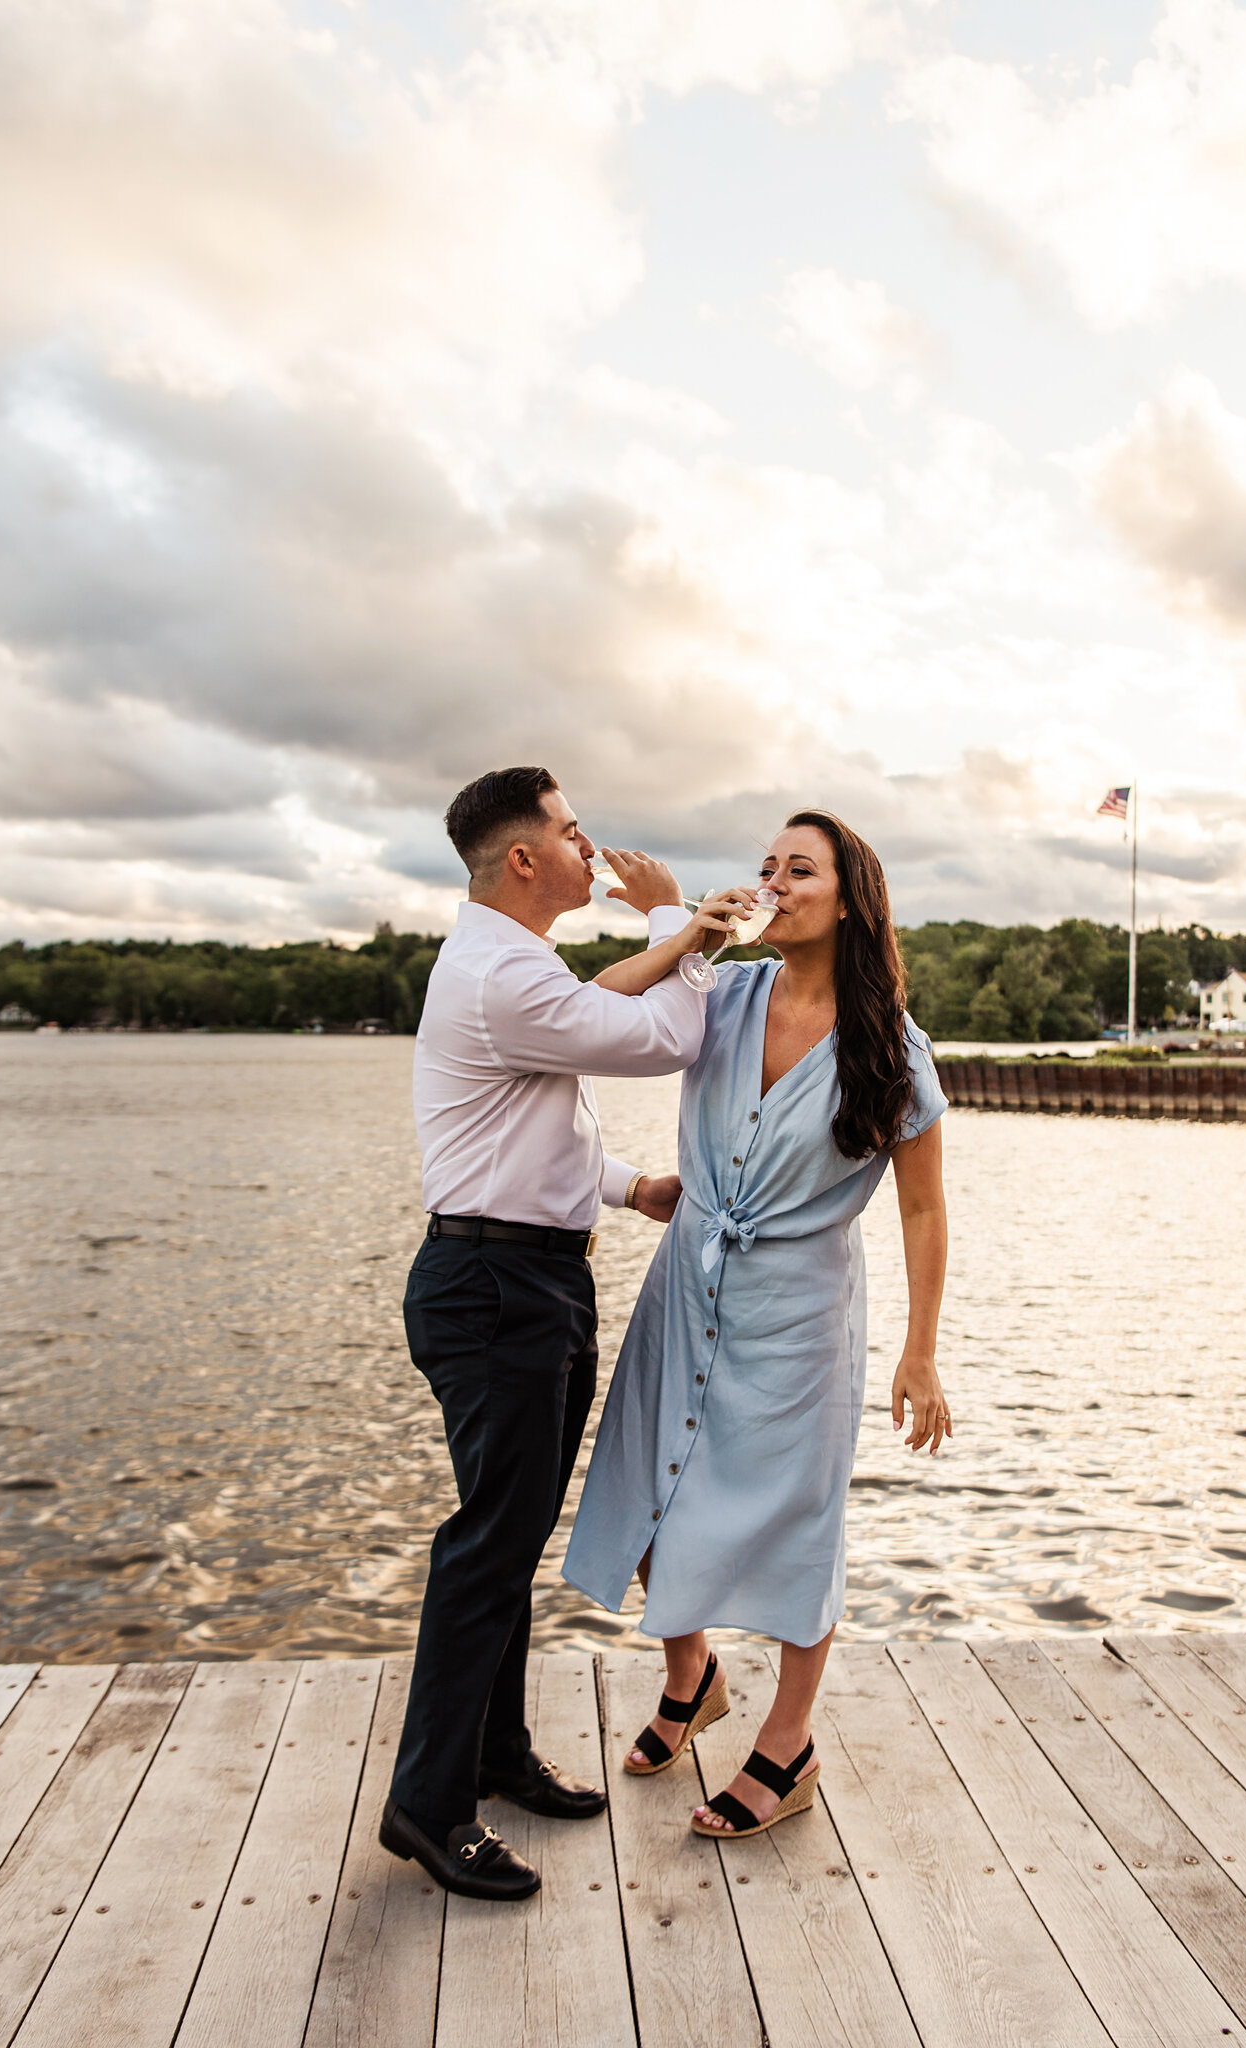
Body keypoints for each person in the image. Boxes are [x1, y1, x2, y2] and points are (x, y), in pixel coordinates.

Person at [381, 764, 753, 1901]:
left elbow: (531, 1110)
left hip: (521, 1276)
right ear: (526, 859)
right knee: (489, 1543)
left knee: (510, 1534)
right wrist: (673, 916)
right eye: (573, 830)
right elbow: (656, 1034)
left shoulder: (510, 963)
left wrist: (625, 1183)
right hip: (495, 1286)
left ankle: (490, 1754)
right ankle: (428, 1804)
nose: (591, 845)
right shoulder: (502, 975)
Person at [563, 808, 951, 1840]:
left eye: (801, 867)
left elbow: (920, 1205)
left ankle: (788, 1744)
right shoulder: (720, 993)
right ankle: (690, 1676)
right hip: (686, 1282)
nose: (775, 878)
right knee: (645, 1483)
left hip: (799, 1310)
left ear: (848, 897)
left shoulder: (892, 1047)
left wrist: (918, 1351)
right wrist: (689, 930)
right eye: (765, 864)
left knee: (794, 1522)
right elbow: (592, 1009)